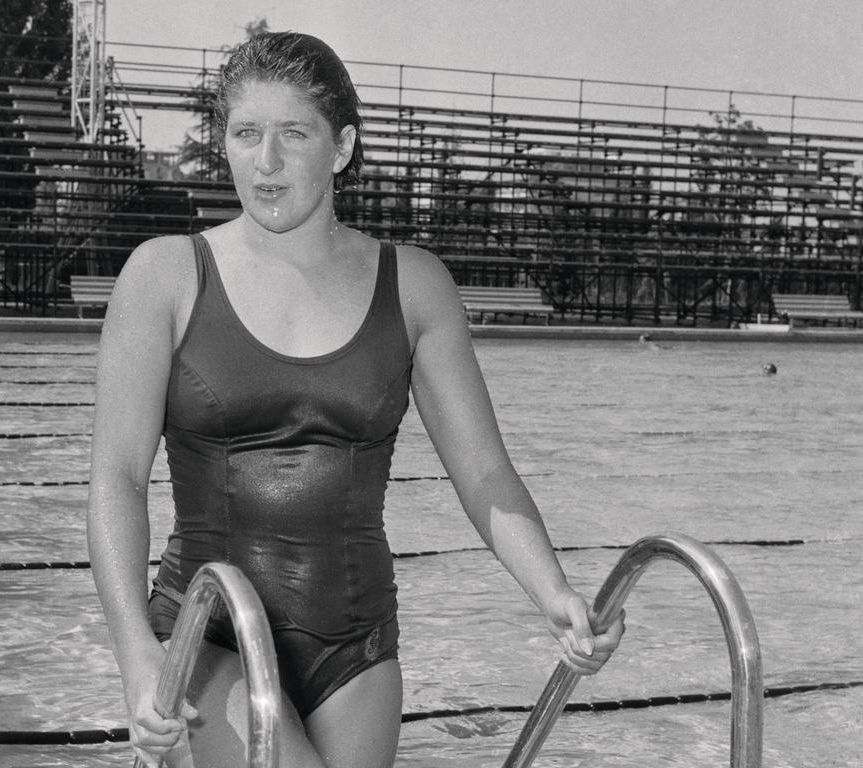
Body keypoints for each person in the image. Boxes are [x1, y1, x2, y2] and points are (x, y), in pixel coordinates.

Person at [86, 31, 625, 768]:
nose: (265, 162)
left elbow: (484, 473)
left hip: (356, 650)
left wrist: (554, 591)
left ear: (341, 147)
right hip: (209, 631)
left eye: (293, 134)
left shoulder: (414, 287)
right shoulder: (166, 277)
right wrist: (136, 656)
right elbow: (116, 475)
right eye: (246, 134)